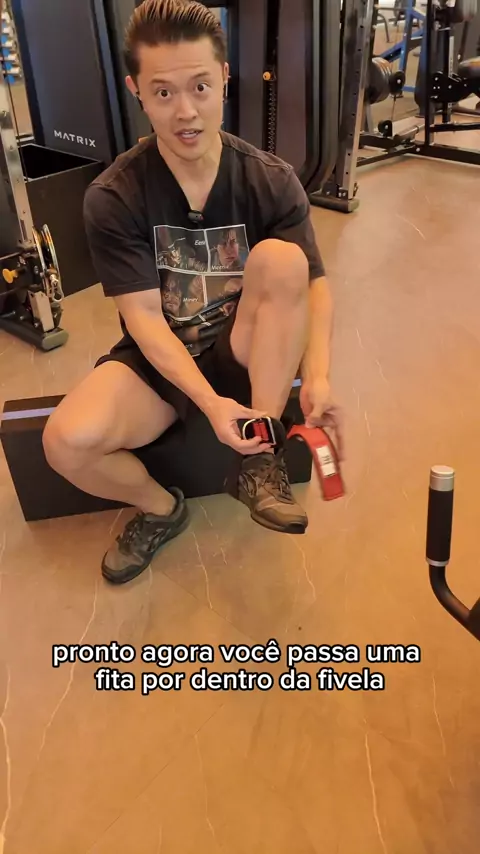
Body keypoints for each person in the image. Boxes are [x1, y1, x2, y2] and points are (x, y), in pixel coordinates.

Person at [42, 0, 344, 586]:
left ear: (224, 79)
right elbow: (144, 320)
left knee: (284, 260)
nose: (186, 111)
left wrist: (320, 376)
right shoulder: (113, 196)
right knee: (66, 443)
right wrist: (208, 403)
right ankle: (161, 509)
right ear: (136, 90)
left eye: (201, 87)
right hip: (164, 357)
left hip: (243, 349)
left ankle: (260, 461)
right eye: (163, 92)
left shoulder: (270, 179)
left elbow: (314, 286)